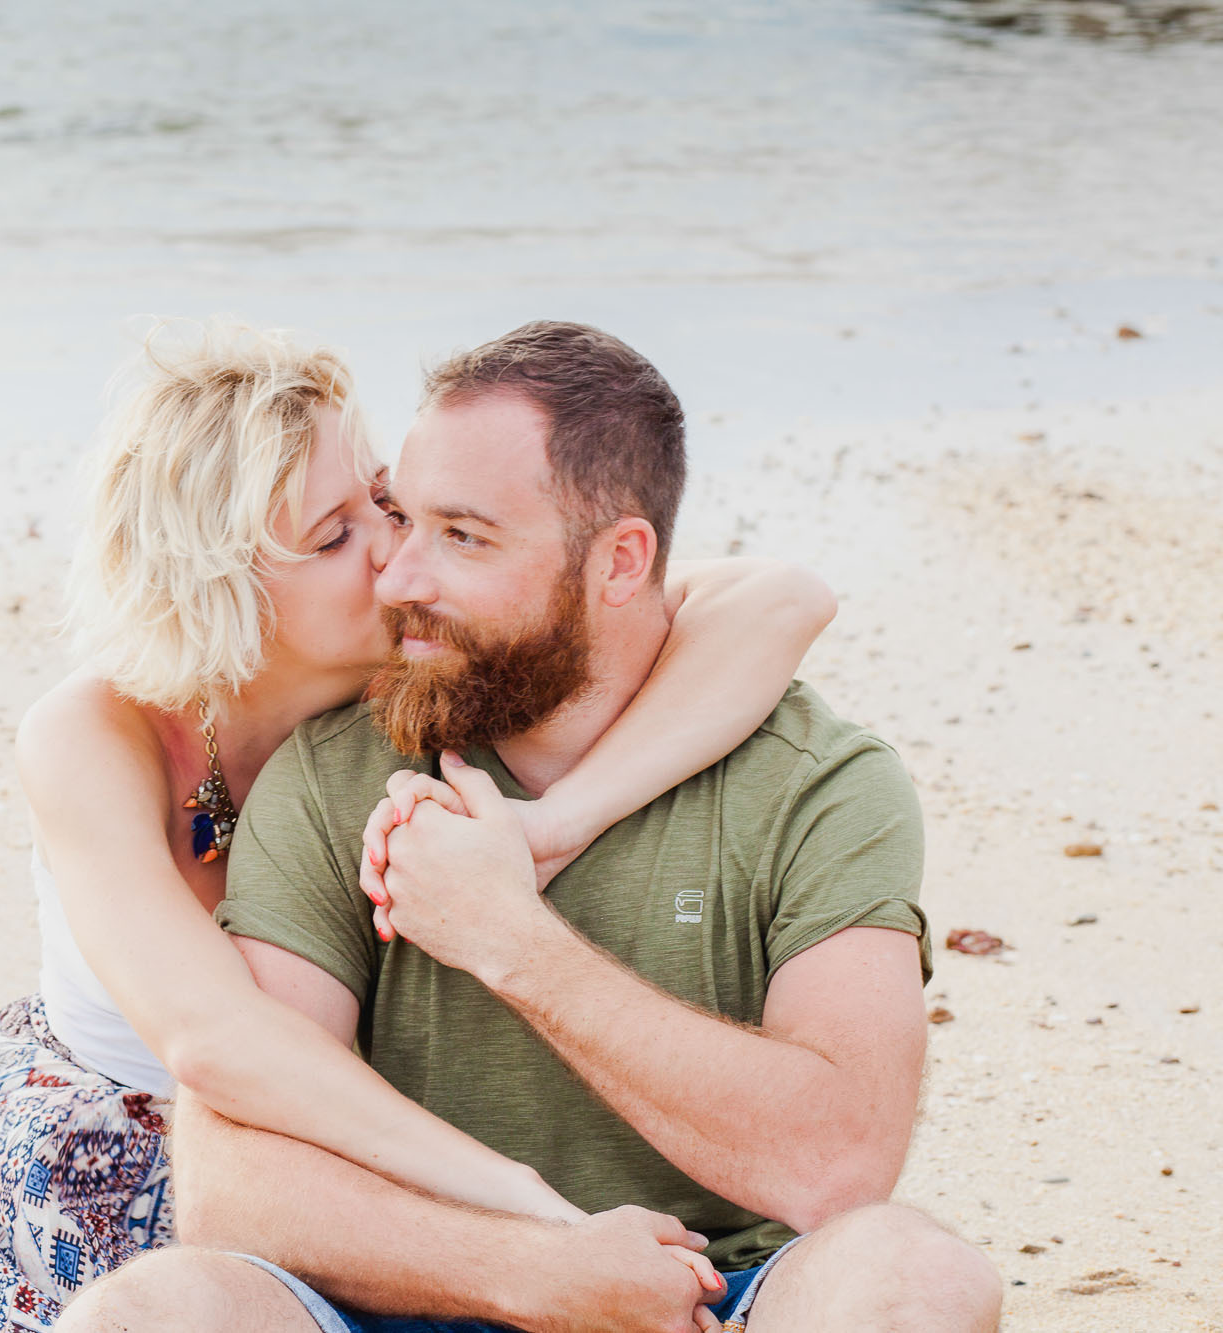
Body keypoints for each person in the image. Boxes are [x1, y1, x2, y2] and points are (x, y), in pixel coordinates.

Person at [0, 320, 838, 1333]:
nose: (396, 551)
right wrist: (531, 1210)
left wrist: (556, 824)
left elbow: (778, 597)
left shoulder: (412, 669)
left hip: (327, 1180)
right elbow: (217, 1043)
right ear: (222, 587)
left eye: (381, 501)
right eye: (339, 534)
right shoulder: (95, 732)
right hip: (89, 1158)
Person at [57, 321, 1004, 1333]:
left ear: (617, 563)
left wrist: (510, 938)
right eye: (395, 518)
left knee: (915, 1276)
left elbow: (837, 1162)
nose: (397, 576)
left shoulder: (816, 783)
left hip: (718, 1298)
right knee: (154, 1311)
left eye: (460, 536)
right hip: (416, 1293)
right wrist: (530, 1265)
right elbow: (229, 1179)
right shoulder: (327, 767)